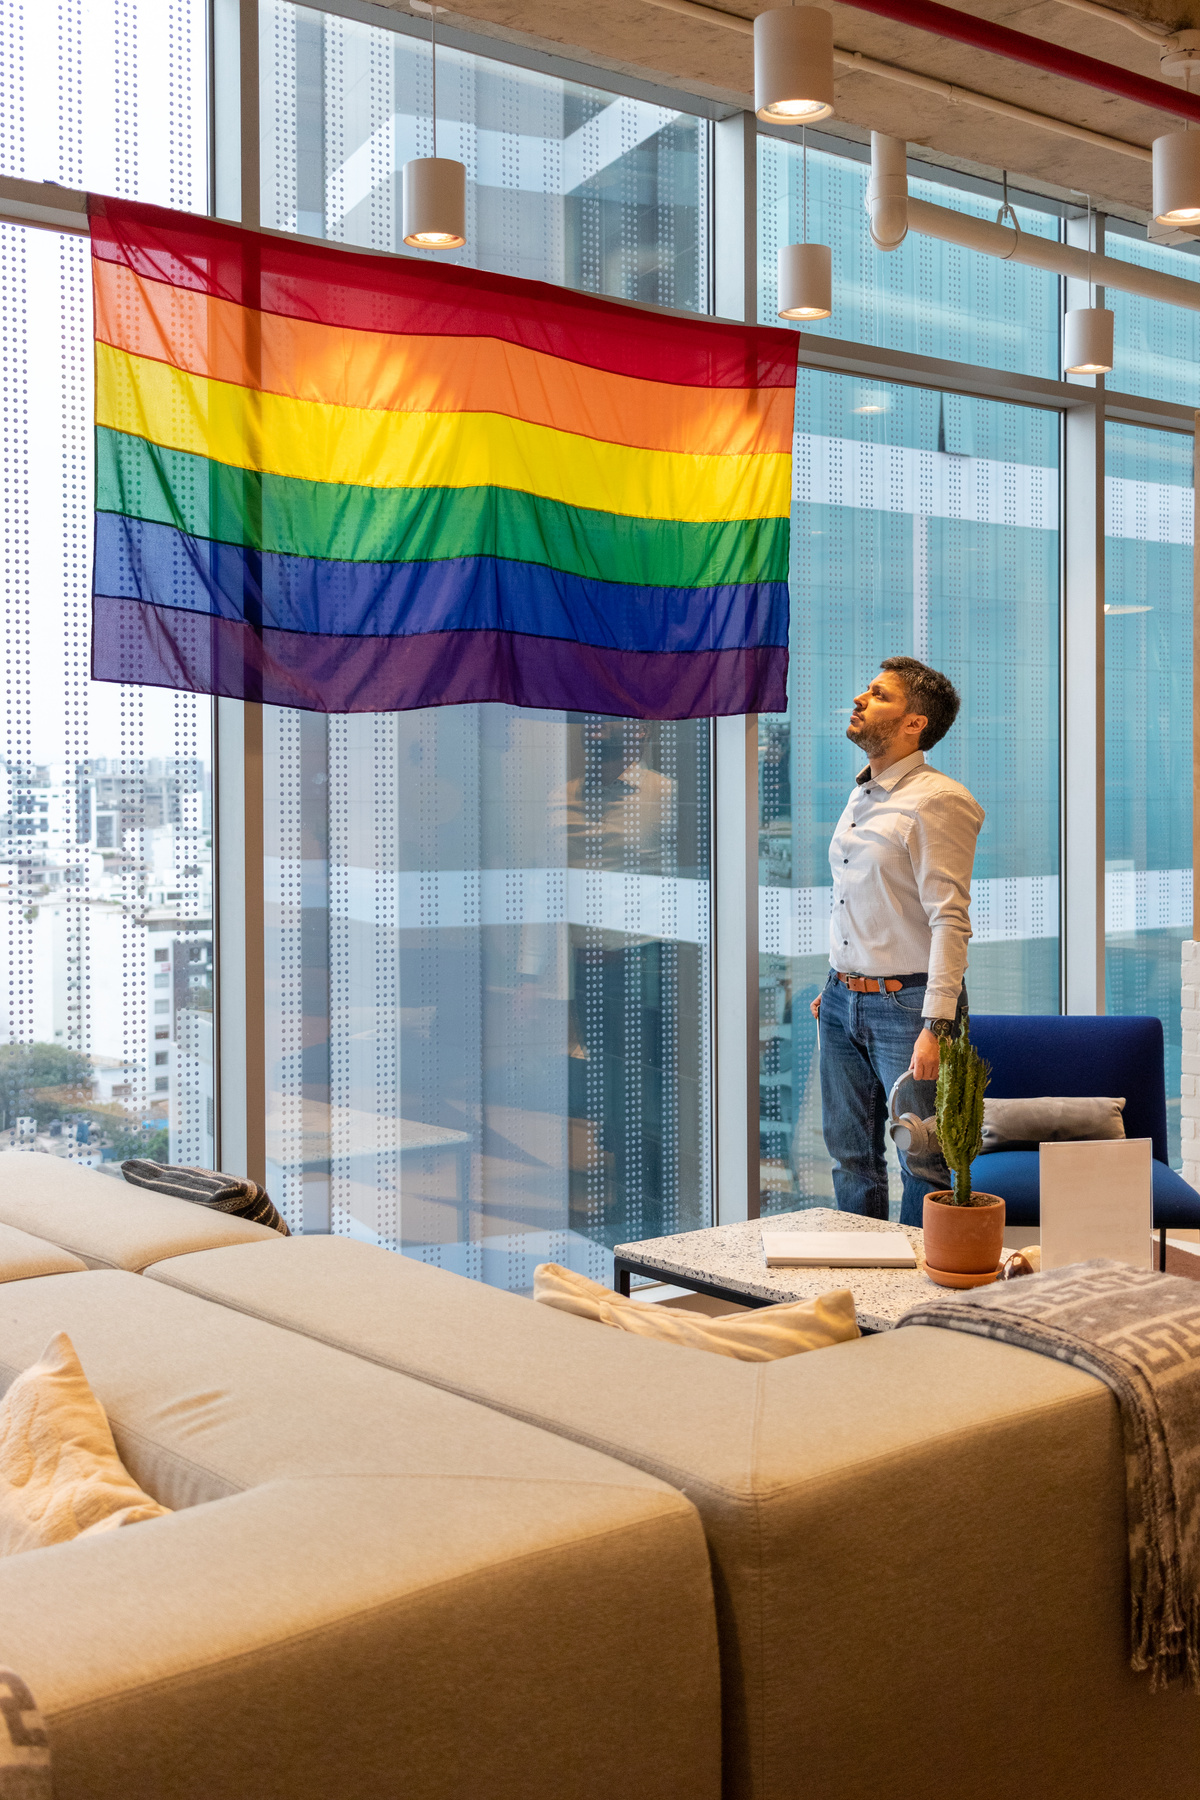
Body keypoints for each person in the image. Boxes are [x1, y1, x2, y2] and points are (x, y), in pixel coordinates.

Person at [810, 657, 983, 1225]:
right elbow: (860, 896)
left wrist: (936, 1027)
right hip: (842, 1001)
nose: (860, 699)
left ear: (915, 722)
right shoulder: (865, 794)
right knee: (849, 1157)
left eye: (879, 694)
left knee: (923, 1161)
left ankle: (916, 1301)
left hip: (909, 1009)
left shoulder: (939, 800)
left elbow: (948, 919)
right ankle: (864, 1290)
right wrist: (837, 980)